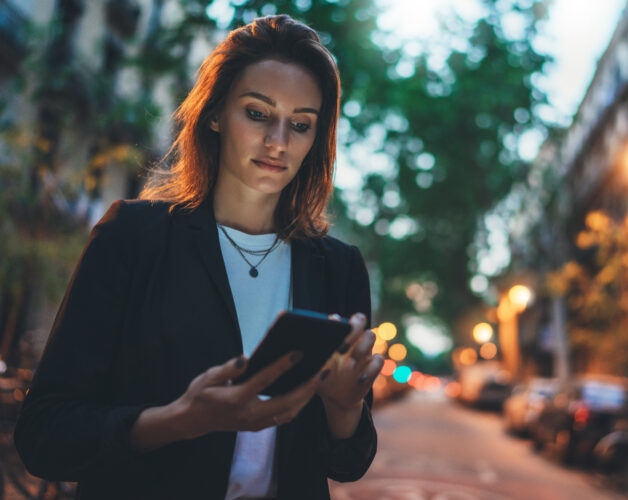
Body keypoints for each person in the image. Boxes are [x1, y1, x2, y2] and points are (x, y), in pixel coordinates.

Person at [15, 15, 383, 500]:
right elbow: (44, 435)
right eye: (257, 113)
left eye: (300, 124)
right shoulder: (132, 237)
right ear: (214, 114)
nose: (278, 141)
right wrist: (176, 421)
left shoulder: (337, 267)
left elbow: (348, 465)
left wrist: (344, 409)